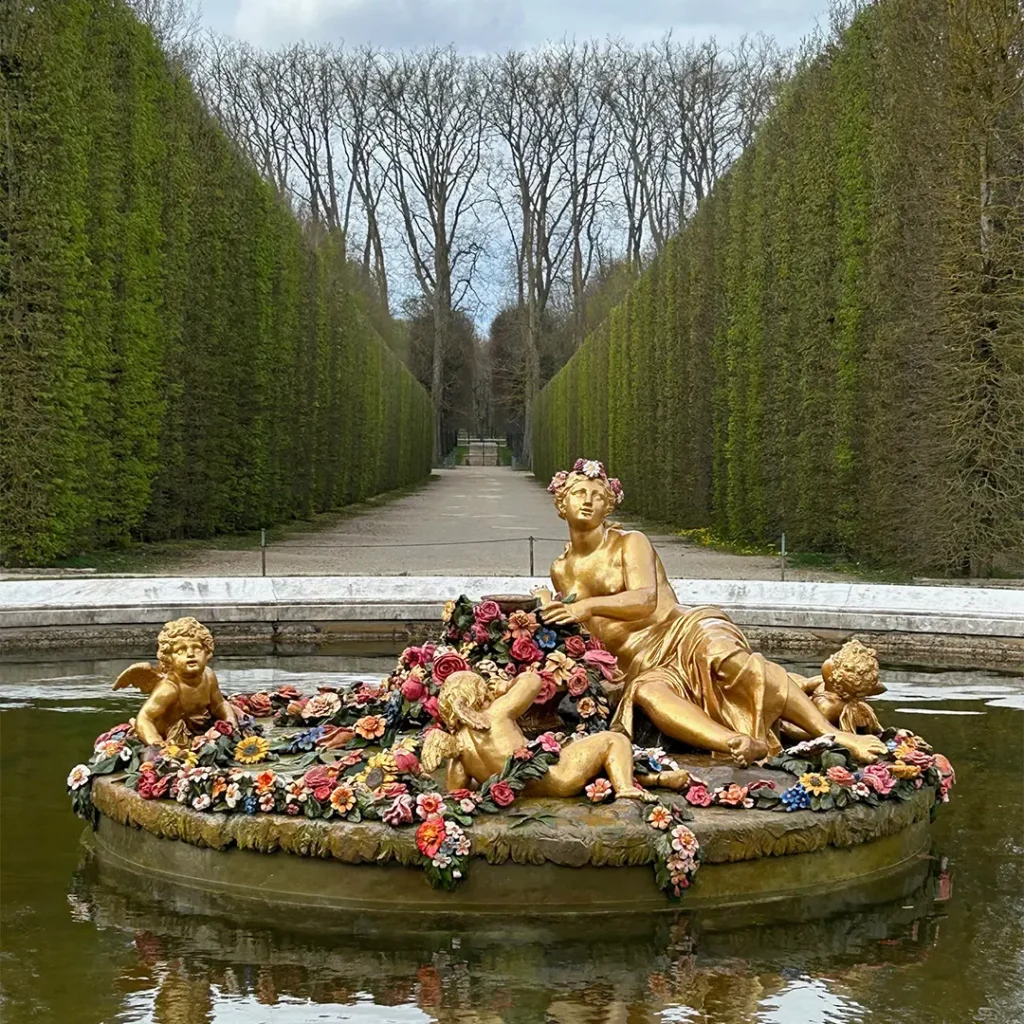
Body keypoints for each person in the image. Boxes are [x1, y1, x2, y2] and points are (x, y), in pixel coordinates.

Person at [537, 459, 887, 766]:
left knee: (724, 659)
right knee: (647, 695)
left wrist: (585, 605)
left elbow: (644, 599)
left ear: (608, 506)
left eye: (597, 495)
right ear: (561, 503)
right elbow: (581, 628)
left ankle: (834, 735)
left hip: (682, 631)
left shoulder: (631, 542)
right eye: (579, 493)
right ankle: (734, 742)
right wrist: (546, 609)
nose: (588, 501)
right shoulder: (561, 569)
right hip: (641, 664)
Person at [421, 670, 690, 799]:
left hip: (526, 792)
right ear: (478, 694)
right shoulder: (496, 713)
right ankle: (626, 788)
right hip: (557, 777)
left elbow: (456, 790)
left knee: (579, 749)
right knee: (613, 740)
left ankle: (658, 779)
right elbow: (533, 681)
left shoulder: (457, 746)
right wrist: (505, 686)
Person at [113, 617, 236, 745]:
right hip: (173, 737)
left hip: (200, 730)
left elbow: (219, 704)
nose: (190, 654)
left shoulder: (208, 676)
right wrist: (156, 743)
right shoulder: (169, 688)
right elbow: (144, 718)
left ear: (207, 652)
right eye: (180, 650)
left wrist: (230, 720)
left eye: (197, 648)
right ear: (169, 658)